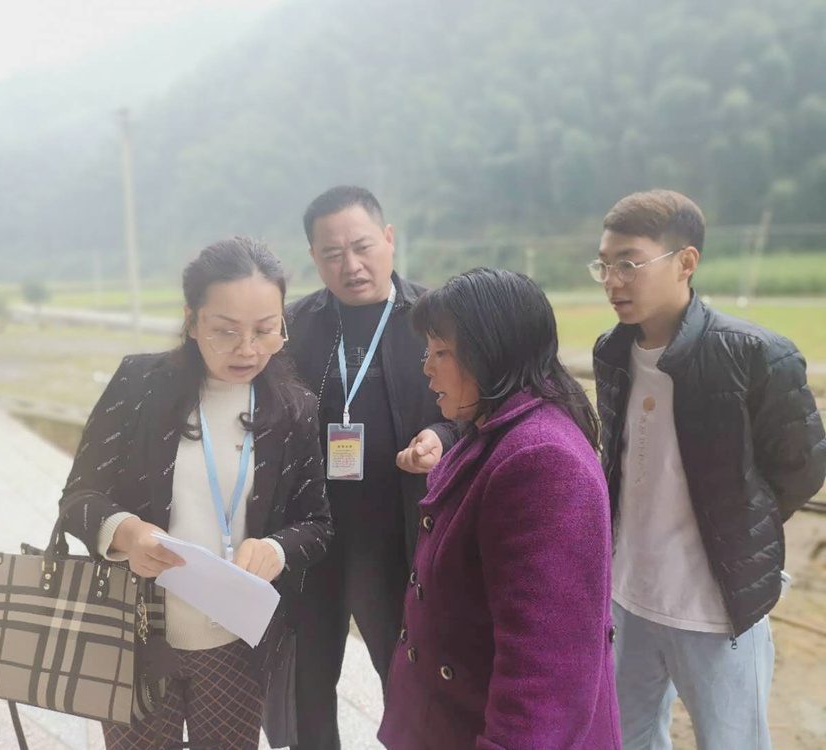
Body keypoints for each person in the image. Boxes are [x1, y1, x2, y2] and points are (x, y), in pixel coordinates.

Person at [58, 237, 333, 750]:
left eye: (265, 330)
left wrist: (274, 550)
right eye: (225, 332)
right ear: (191, 320)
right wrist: (126, 533)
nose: (247, 350)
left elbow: (317, 523)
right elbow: (78, 497)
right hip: (135, 632)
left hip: (234, 640)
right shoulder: (138, 386)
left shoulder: (294, 410)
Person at [591, 189, 826, 749]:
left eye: (629, 263)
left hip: (718, 610)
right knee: (626, 738)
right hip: (629, 598)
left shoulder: (756, 356)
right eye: (604, 264)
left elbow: (803, 469)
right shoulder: (610, 352)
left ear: (686, 261)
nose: (612, 280)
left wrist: (742, 523)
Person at [378, 268, 620, 749]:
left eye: (441, 352)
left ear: (492, 352)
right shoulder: (494, 429)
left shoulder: (542, 461)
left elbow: (545, 672)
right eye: (429, 350)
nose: (427, 367)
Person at [285, 186, 458, 750]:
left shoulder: (435, 318)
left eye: (362, 246)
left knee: (404, 675)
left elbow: (474, 406)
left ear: (388, 239)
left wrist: (441, 434)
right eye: (331, 254)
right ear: (313, 258)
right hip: (312, 537)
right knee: (307, 683)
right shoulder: (295, 327)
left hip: (396, 536)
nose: (351, 265)